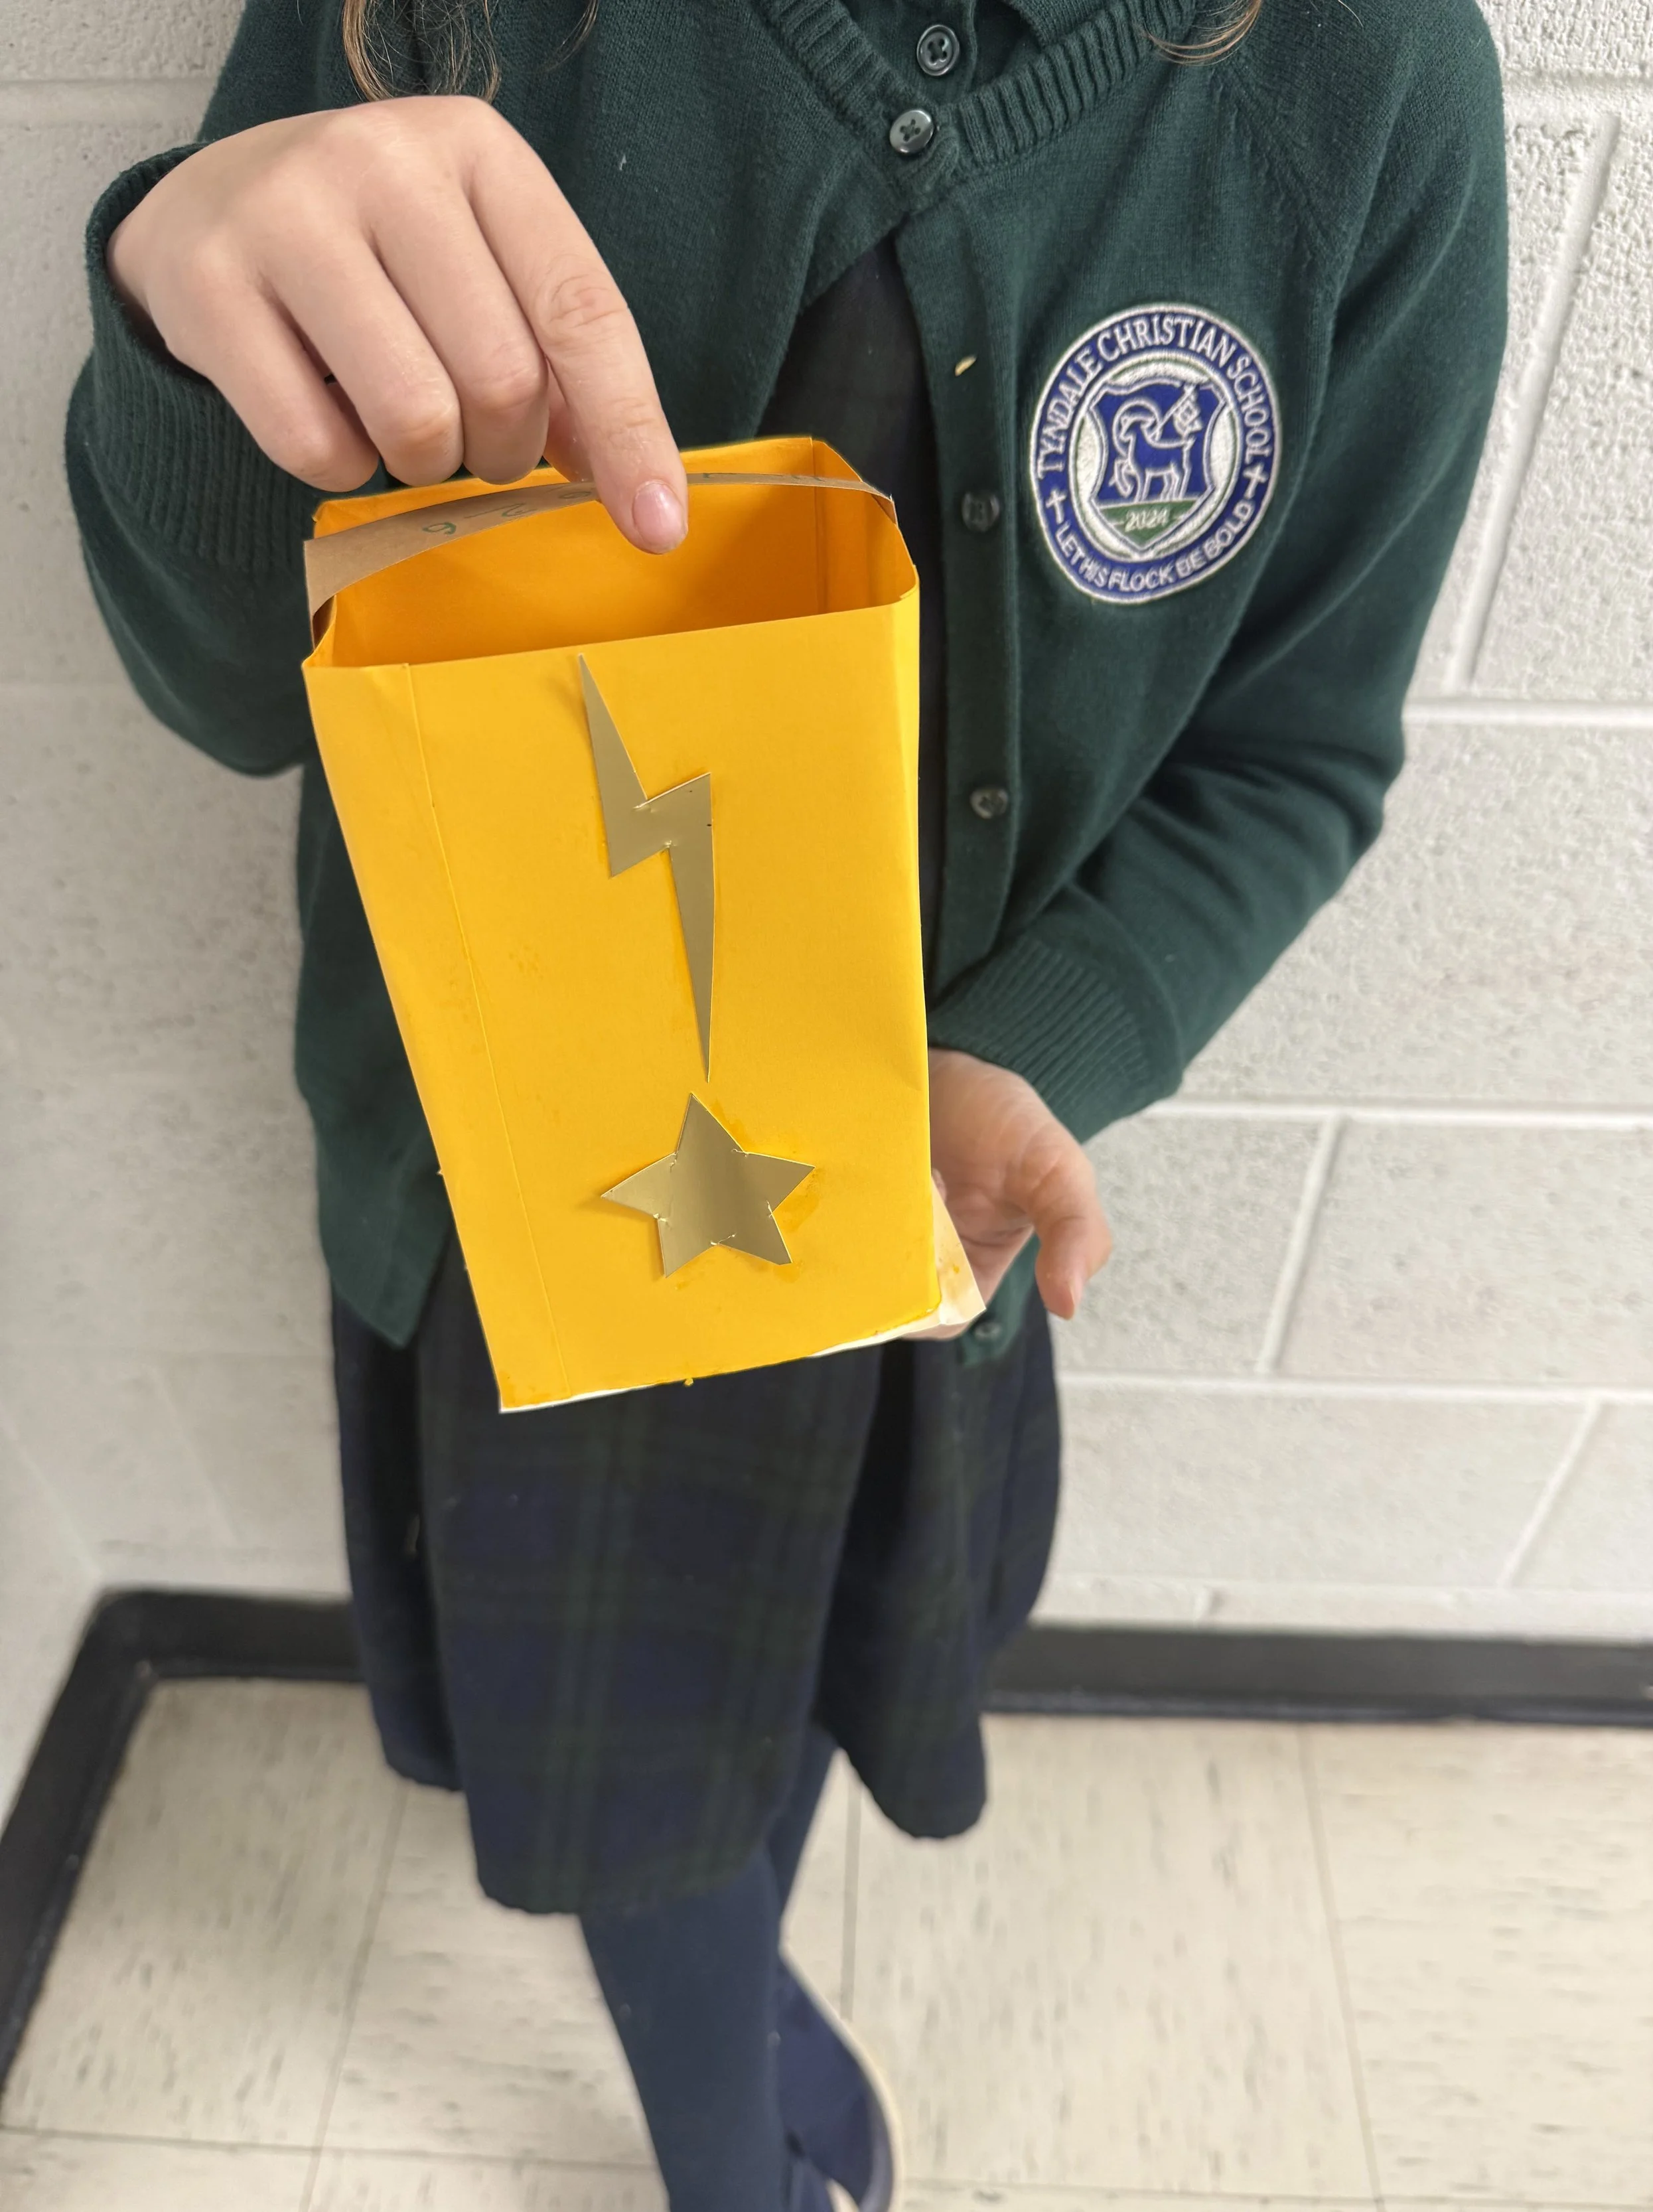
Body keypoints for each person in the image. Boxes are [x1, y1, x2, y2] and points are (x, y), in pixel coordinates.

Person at [66, 1, 1506, 2205]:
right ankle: (716, 2123)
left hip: (916, 1222)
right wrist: (187, 296)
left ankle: (733, 1972)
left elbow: (1296, 747)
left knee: (799, 1689)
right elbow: (230, 690)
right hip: (514, 1232)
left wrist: (1045, 1040)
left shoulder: (1357, 84)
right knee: (625, 1767)